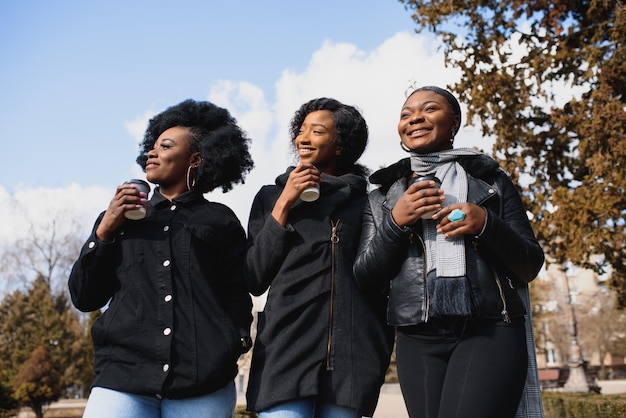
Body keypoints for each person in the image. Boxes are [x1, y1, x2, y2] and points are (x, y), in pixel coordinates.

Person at [353, 86, 545, 418]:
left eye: (429, 109)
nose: (415, 118)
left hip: (490, 327)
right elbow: (366, 277)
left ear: (453, 121)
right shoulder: (382, 196)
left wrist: (486, 223)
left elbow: (529, 264)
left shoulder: (491, 182)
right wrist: (396, 222)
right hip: (417, 336)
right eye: (406, 114)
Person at [68, 99, 254, 418]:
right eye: (151, 147)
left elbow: (237, 292)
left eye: (165, 146)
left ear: (194, 158)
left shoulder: (220, 221)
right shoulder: (116, 219)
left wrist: (233, 339)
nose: (151, 153)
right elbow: (85, 297)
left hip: (202, 383)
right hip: (122, 379)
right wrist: (104, 231)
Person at [244, 98, 394, 418]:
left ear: (340, 146)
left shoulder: (369, 203)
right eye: (301, 131)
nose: (303, 138)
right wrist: (285, 202)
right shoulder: (270, 197)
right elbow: (254, 277)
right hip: (284, 355)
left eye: (317, 131)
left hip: (353, 361)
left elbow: (382, 275)